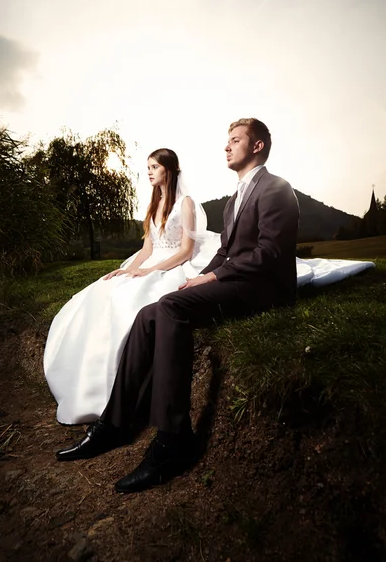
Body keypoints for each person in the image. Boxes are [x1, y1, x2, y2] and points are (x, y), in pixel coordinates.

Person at [54, 117, 301, 492]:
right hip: (237, 280)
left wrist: (215, 277)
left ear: (258, 146)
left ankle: (173, 440)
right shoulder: (236, 196)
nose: (226, 146)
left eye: (235, 140)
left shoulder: (276, 189)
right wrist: (206, 274)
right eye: (227, 140)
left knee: (169, 307)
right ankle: (114, 424)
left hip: (262, 289)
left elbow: (270, 253)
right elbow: (226, 251)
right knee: (149, 313)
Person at [44, 148, 218, 425]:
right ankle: (79, 379)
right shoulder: (153, 204)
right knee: (102, 289)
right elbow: (147, 248)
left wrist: (151, 271)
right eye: (147, 166)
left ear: (169, 170)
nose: (148, 171)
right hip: (152, 260)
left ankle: (113, 390)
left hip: (173, 263)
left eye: (154, 166)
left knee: (128, 298)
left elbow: (186, 250)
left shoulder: (185, 203)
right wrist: (127, 269)